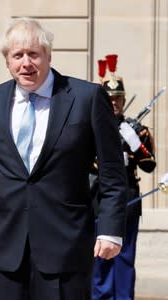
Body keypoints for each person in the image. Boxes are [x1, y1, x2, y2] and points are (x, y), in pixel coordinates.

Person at [0, 17, 128, 299]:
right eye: (18, 55)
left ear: (48, 55)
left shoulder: (86, 97)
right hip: (6, 250)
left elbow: (112, 171)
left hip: (65, 248)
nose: (26, 63)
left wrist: (110, 230)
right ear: (7, 61)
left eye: (33, 54)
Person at [91, 72, 156, 300]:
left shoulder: (136, 130)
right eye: (109, 98)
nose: (114, 103)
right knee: (100, 257)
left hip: (128, 202)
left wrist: (135, 145)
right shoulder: (91, 128)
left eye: (118, 98)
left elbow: (149, 165)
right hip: (99, 201)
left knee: (125, 259)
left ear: (124, 99)